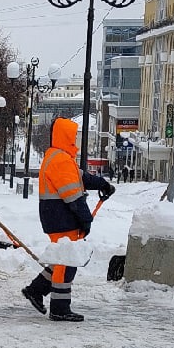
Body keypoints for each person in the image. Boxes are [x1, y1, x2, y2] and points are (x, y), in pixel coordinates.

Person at [21, 117, 108, 323]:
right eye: (73, 136)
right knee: (66, 263)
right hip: (61, 218)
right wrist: (85, 219)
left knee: (62, 259)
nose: (76, 140)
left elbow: (79, 177)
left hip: (57, 217)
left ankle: (35, 291)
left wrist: (101, 183)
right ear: (66, 136)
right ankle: (60, 308)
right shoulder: (60, 159)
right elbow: (73, 196)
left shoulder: (59, 157)